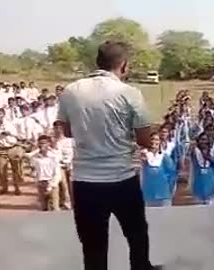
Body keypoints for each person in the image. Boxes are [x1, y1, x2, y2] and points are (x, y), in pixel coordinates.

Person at [56, 41, 162, 270]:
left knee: (93, 245)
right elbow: (144, 139)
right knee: (136, 234)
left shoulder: (71, 90)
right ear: (123, 65)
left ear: (98, 62)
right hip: (122, 179)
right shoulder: (129, 93)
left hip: (85, 181)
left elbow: (65, 131)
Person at [140, 131, 175, 207]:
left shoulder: (165, 157)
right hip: (147, 196)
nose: (153, 142)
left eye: (156, 139)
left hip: (163, 195)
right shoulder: (142, 156)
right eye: (152, 139)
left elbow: (172, 176)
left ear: (160, 142)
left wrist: (170, 191)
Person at [30, 135, 61, 211]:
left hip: (52, 183)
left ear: (48, 144)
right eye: (40, 143)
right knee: (43, 208)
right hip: (41, 184)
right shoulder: (34, 157)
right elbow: (34, 172)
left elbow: (57, 172)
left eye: (44, 143)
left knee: (55, 208)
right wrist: (36, 180)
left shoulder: (54, 156)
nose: (42, 145)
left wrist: (51, 185)